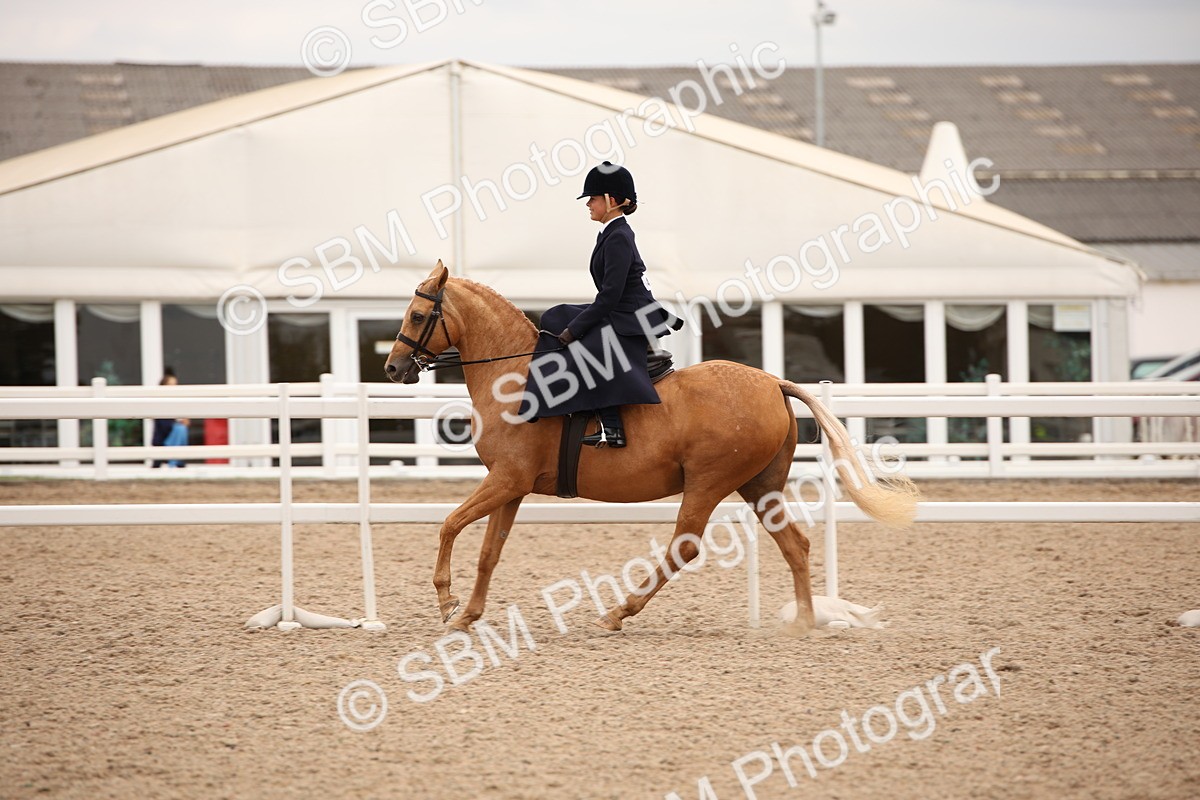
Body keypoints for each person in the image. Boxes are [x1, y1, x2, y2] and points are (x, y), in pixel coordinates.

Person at [520, 161, 683, 448]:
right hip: (621, 308)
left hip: (629, 315)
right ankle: (546, 401)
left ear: (611, 201)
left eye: (593, 199)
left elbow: (609, 296)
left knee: (583, 342)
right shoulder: (610, 232)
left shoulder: (619, 236)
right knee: (554, 317)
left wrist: (575, 330)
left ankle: (608, 424)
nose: (589, 205)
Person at [151, 368, 189, 468]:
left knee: (182, 429)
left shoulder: (177, 402)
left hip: (174, 437)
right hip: (164, 439)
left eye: (175, 384)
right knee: (180, 429)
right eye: (170, 384)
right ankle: (175, 461)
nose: (174, 387)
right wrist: (179, 421)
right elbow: (164, 426)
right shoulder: (159, 403)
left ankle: (176, 460)